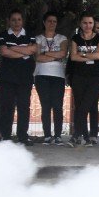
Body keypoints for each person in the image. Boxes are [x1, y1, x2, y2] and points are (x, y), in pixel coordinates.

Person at [0, 10, 38, 145]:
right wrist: (24, 51)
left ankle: (22, 137)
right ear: (9, 21)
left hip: (25, 78)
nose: (16, 22)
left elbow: (33, 50)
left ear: (22, 21)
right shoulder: (3, 35)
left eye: (19, 19)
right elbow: (3, 52)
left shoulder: (30, 35)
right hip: (7, 77)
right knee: (7, 107)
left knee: (24, 107)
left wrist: (13, 48)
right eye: (13, 19)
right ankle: (6, 136)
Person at [69, 12, 99, 147]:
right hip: (78, 77)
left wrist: (82, 54)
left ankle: (77, 135)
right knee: (80, 107)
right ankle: (85, 137)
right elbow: (73, 57)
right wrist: (90, 55)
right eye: (85, 23)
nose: (88, 25)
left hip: (95, 78)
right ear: (80, 24)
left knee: (86, 106)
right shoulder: (75, 38)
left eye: (90, 23)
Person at [34, 12, 69, 145]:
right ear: (44, 22)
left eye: (54, 21)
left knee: (58, 106)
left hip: (58, 76)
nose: (52, 23)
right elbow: (37, 57)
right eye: (49, 21)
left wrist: (45, 53)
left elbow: (63, 53)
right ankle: (47, 135)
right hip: (41, 75)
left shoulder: (62, 38)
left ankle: (58, 135)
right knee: (46, 106)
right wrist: (55, 56)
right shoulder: (38, 38)